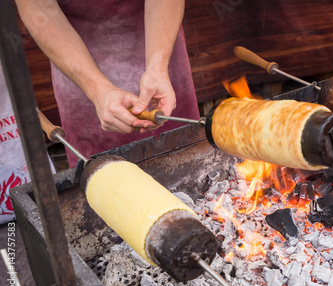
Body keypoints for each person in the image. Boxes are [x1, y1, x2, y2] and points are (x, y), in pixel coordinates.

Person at [15, 0, 199, 167]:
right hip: (76, 61)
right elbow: (39, 8)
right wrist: (97, 90)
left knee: (190, 161)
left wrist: (158, 67)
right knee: (104, 177)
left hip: (161, 44)